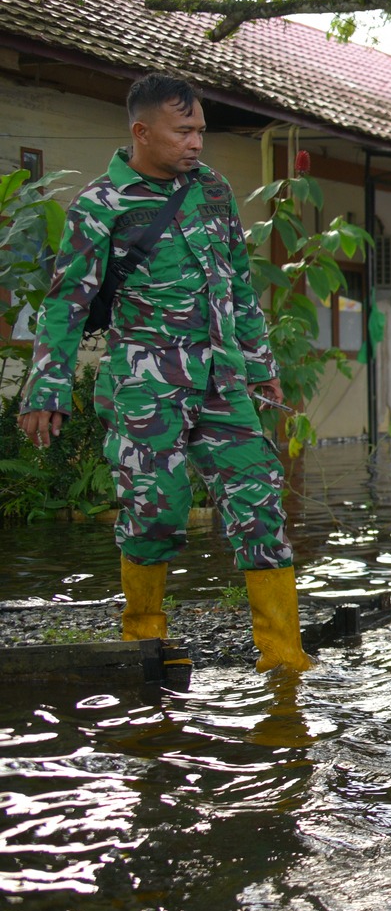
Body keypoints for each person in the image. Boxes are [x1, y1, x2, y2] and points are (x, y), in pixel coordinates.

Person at [19, 75, 308, 671]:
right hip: (145, 387)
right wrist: (46, 387)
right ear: (142, 132)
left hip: (222, 382)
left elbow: (238, 283)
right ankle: (145, 637)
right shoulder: (102, 205)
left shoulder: (213, 191)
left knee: (259, 502)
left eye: (200, 130)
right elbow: (66, 302)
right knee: (156, 510)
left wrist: (259, 365)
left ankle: (284, 658)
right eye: (184, 131)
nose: (197, 143)